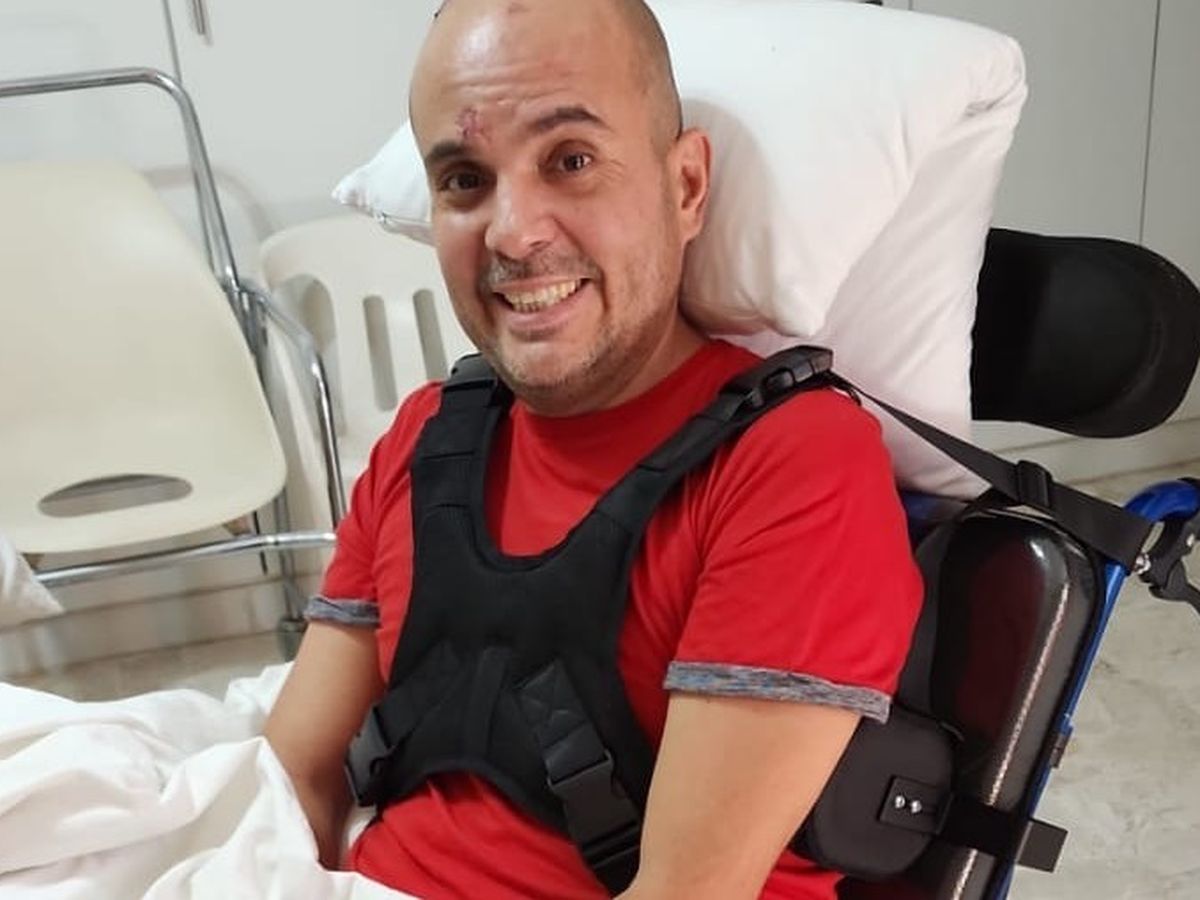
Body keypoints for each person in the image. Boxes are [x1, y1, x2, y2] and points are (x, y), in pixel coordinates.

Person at [264, 0, 922, 897]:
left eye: (570, 161)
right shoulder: (426, 437)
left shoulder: (790, 466)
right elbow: (295, 780)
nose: (514, 232)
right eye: (464, 179)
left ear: (686, 188)